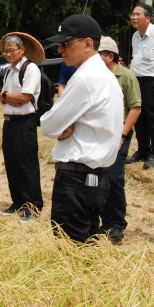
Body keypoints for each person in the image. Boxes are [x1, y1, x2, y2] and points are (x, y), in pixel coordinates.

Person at [40, 15, 123, 243]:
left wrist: (65, 127)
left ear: (88, 43)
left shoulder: (85, 78)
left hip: (76, 178)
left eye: (65, 43)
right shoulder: (107, 76)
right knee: (86, 243)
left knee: (70, 249)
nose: (60, 49)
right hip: (97, 178)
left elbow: (48, 124)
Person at [98, 36, 142, 243]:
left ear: (111, 56)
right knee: (100, 177)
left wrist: (123, 135)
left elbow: (135, 107)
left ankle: (117, 224)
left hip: (119, 131)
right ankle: (104, 221)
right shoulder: (96, 75)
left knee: (115, 178)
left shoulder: (126, 77)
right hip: (100, 131)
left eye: (100, 54)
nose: (96, 57)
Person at [0, 32, 45, 221]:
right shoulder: (10, 70)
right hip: (9, 122)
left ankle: (33, 206)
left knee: (27, 165)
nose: (8, 54)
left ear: (22, 50)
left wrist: (7, 96)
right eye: (5, 51)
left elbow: (24, 97)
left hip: (25, 123)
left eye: (11, 50)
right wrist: (8, 97)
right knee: (11, 163)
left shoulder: (30, 68)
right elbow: (4, 97)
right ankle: (17, 202)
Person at [126, 2, 154, 169]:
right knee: (139, 118)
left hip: (153, 82)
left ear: (148, 17)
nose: (133, 17)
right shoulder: (135, 36)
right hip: (137, 82)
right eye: (132, 14)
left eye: (138, 14)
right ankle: (142, 150)